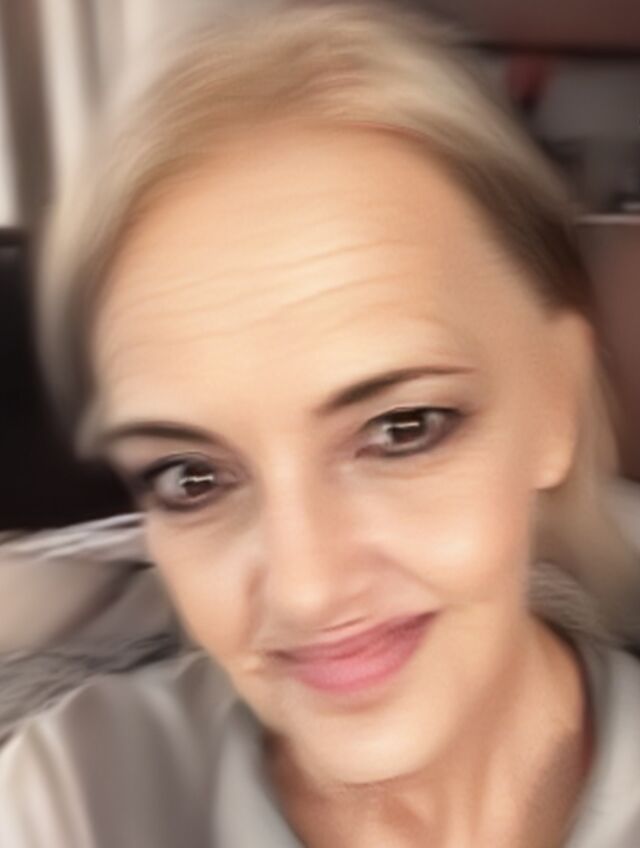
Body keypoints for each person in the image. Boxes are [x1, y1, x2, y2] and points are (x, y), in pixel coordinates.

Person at [2, 2, 640, 846]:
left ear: (556, 399)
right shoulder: (74, 795)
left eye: (403, 428)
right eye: (193, 479)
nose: (306, 590)